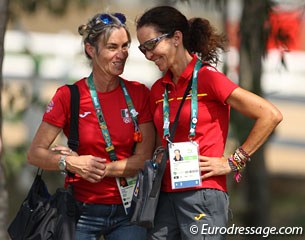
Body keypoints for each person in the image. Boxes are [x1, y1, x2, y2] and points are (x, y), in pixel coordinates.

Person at [136, 6, 283, 240]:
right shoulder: (157, 89)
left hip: (202, 195)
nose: (149, 55)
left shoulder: (208, 78)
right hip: (161, 197)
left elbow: (270, 115)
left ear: (176, 38)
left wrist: (234, 161)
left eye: (152, 45)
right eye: (143, 49)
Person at [27, 12, 155, 240]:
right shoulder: (68, 96)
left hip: (131, 211)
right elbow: (35, 154)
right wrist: (71, 162)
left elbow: (144, 158)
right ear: (90, 50)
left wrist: (97, 168)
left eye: (125, 46)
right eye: (112, 47)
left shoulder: (139, 93)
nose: (122, 54)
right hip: (80, 211)